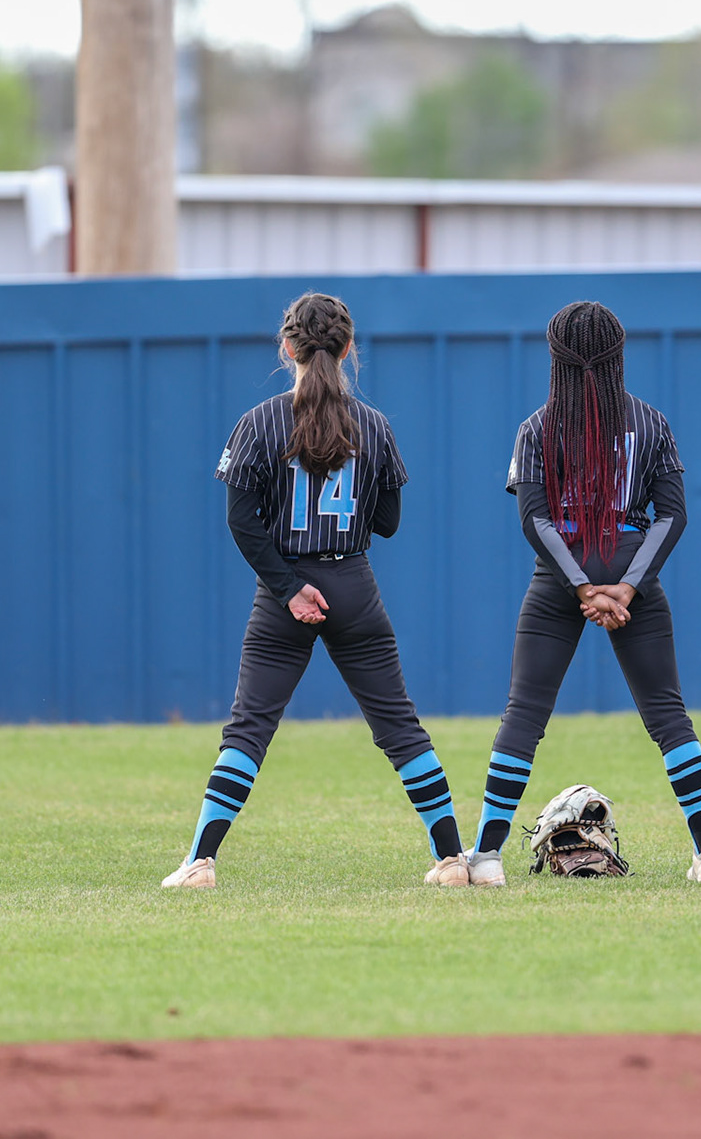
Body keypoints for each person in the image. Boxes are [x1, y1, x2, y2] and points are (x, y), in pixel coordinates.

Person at [162, 292, 471, 889]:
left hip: (285, 590)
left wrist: (288, 586)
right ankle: (453, 859)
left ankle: (200, 861)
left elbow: (241, 520)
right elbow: (388, 522)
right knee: (400, 727)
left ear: (287, 348)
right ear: (349, 349)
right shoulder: (376, 426)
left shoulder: (260, 422)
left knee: (249, 727)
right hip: (353, 584)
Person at [460, 301, 701, 885]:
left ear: (555, 359)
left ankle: (484, 858)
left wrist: (583, 586)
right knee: (667, 714)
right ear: (618, 355)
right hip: (632, 570)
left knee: (524, 714)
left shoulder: (535, 428)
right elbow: (672, 517)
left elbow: (535, 521)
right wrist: (629, 586)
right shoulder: (653, 422)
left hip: (560, 577)